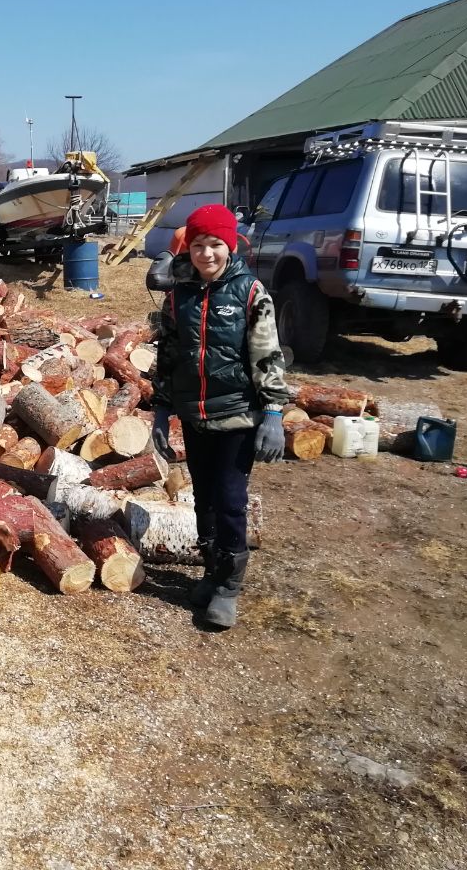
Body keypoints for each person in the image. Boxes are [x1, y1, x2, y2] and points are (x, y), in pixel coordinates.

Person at [148, 203, 288, 629]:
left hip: (237, 418)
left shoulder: (250, 292)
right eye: (197, 245)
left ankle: (228, 587)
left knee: (229, 502)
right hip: (194, 416)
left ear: (230, 245)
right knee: (204, 500)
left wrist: (274, 413)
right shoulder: (179, 297)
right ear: (187, 249)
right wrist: (160, 411)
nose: (206, 254)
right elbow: (168, 356)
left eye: (214, 245)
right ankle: (212, 571)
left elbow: (267, 353)